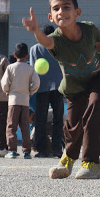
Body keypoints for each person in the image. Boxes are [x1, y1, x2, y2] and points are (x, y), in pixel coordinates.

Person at [22, 0, 100, 179]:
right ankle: (68, 158)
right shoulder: (57, 40)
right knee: (73, 126)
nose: (61, 11)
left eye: (66, 7)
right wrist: (36, 31)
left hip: (99, 77)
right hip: (74, 86)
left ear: (77, 12)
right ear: (51, 17)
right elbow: (46, 41)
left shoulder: (90, 30)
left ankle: (92, 163)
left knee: (95, 107)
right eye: (56, 9)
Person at [29, 24, 65, 158]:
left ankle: (41, 149)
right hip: (58, 87)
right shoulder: (60, 48)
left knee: (40, 119)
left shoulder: (34, 49)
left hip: (41, 87)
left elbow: (33, 69)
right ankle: (57, 149)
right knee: (58, 119)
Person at [1, 42, 40, 159]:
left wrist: (8, 91)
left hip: (13, 101)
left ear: (14, 54)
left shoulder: (10, 67)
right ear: (27, 55)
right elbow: (37, 83)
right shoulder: (30, 68)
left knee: (11, 127)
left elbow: (4, 84)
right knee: (25, 127)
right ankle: (26, 151)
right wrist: (30, 92)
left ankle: (12, 150)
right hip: (25, 101)